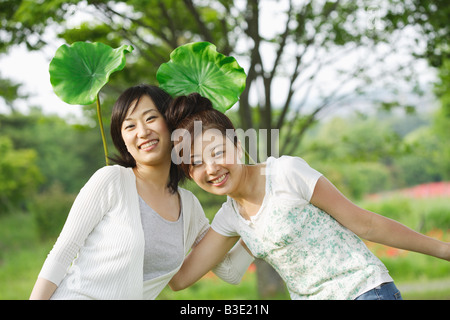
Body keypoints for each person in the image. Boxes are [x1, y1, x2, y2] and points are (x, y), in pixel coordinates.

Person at [166, 93, 450, 300]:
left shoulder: (285, 172)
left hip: (362, 291)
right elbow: (186, 279)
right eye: (196, 162)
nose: (211, 168)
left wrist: (443, 250)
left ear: (238, 146)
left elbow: (366, 225)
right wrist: (183, 216)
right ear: (189, 174)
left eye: (217, 152)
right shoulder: (231, 217)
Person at [29, 85, 253, 300]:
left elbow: (230, 271)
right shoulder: (112, 180)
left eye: (151, 118)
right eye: (130, 126)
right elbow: (61, 255)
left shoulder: (189, 207)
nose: (143, 132)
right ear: (123, 140)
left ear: (172, 125)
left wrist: (255, 213)